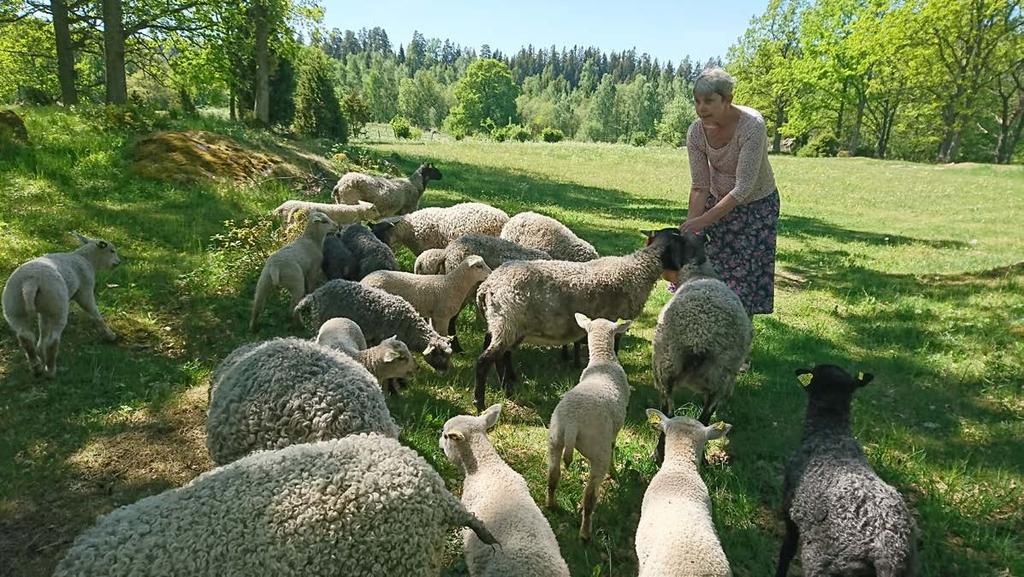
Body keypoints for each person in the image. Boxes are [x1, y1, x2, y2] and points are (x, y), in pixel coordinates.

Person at [678, 67, 780, 370]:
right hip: (716, 202)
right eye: (697, 101)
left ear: (728, 99)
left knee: (742, 282)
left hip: (755, 207)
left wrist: (703, 221)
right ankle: (706, 343)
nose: (701, 108)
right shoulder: (696, 132)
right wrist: (690, 231)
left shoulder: (752, 126)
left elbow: (743, 188)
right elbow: (699, 185)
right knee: (711, 274)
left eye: (709, 101)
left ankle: (738, 354)